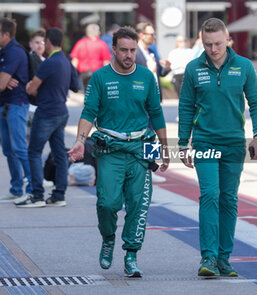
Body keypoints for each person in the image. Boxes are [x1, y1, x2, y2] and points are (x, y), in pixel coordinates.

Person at [68, 27, 169, 277]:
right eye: (123, 50)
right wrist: (81, 140)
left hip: (140, 148)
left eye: (132, 50)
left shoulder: (146, 77)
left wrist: (164, 148)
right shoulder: (100, 78)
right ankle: (108, 238)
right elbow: (89, 111)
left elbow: (156, 113)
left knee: (138, 205)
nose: (128, 55)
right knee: (107, 203)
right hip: (110, 148)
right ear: (113, 49)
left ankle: (131, 255)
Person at [178, 18, 257, 277]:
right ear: (201, 42)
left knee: (228, 200)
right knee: (209, 195)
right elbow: (185, 107)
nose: (213, 49)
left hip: (234, 144)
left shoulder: (244, 67)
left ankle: (225, 258)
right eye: (207, 44)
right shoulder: (194, 68)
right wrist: (183, 143)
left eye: (217, 44)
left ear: (228, 40)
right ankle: (209, 258)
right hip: (205, 142)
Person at [15, 27, 79, 208]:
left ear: (48, 42)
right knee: (59, 154)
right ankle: (59, 195)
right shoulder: (66, 61)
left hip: (46, 113)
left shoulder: (49, 62)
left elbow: (32, 89)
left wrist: (29, 86)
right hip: (61, 112)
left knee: (34, 152)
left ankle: (37, 195)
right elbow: (75, 86)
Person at [0, 17, 33, 202]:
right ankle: (16, 188)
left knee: (20, 148)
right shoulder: (4, 51)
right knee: (8, 150)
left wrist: (3, 80)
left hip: (16, 105)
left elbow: (2, 84)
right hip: (5, 105)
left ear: (6, 34)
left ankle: (33, 188)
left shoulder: (14, 52)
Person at [135, 22, 171, 101]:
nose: (154, 37)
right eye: (151, 34)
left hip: (155, 98)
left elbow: (160, 73)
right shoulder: (134, 53)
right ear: (141, 35)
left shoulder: (152, 52)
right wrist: (149, 72)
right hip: (143, 99)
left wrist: (167, 67)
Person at [70, 23, 111, 91]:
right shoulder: (102, 44)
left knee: (85, 95)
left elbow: (74, 62)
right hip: (97, 74)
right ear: (98, 33)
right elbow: (106, 62)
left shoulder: (80, 43)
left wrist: (72, 76)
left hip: (83, 75)